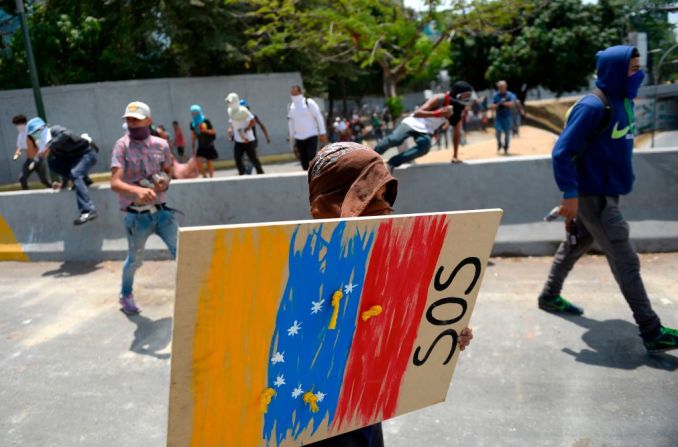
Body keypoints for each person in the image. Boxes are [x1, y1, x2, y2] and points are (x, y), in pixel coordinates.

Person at [307, 142, 474, 446]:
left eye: (385, 195)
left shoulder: (385, 258)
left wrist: (443, 332)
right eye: (368, 197)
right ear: (332, 201)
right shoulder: (299, 268)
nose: (384, 206)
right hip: (313, 417)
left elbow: (401, 323)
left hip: (366, 412)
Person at [538, 45, 678, 354]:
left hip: (605, 194)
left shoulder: (623, 101)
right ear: (615, 71)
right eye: (632, 69)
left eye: (639, 67)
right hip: (593, 197)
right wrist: (570, 196)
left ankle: (549, 295)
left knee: (576, 244)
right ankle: (652, 330)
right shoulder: (593, 106)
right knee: (625, 259)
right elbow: (562, 152)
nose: (639, 74)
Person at [110, 101, 177, 315]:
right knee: (135, 260)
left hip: (163, 213)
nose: (132, 124)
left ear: (148, 120)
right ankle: (126, 294)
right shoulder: (122, 146)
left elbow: (168, 171)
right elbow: (115, 183)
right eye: (129, 120)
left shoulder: (162, 145)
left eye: (136, 120)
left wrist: (164, 181)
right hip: (136, 217)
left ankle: (195, 293)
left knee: (183, 253)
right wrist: (136, 191)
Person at [373, 81, 474, 168]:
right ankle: (370, 157)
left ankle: (392, 163)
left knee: (424, 147)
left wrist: (455, 156)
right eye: (466, 95)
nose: (468, 98)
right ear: (457, 93)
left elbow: (456, 134)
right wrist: (439, 113)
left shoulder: (458, 109)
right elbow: (417, 113)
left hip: (426, 131)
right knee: (395, 139)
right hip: (413, 122)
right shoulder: (440, 98)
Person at [26, 117, 98, 224]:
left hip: (87, 154)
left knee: (75, 173)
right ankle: (84, 180)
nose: (35, 136)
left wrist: (49, 145)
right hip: (74, 159)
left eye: (36, 133)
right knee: (54, 164)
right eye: (33, 135)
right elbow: (65, 164)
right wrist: (63, 185)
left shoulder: (55, 130)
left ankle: (88, 210)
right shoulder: (44, 143)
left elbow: (66, 134)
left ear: (42, 129)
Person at [288, 85, 327, 170]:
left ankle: (316, 175)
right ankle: (306, 178)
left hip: (311, 135)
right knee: (303, 160)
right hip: (299, 137)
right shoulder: (291, 107)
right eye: (292, 92)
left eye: (295, 92)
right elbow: (291, 123)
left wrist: (322, 132)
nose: (294, 94)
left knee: (311, 157)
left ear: (300, 92)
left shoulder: (308, 102)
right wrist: (291, 137)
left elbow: (318, 116)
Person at [225, 93, 265, 176]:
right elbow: (232, 123)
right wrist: (230, 130)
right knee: (237, 157)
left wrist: (246, 129)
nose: (229, 104)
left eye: (230, 102)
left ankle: (260, 173)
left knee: (253, 158)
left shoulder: (244, 111)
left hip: (248, 139)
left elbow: (253, 121)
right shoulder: (231, 111)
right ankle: (242, 174)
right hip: (238, 140)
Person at [13, 114, 51, 190]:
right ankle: (26, 194)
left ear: (24, 123)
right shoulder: (21, 135)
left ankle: (53, 188)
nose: (18, 127)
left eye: (19, 124)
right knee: (22, 178)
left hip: (38, 159)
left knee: (43, 180)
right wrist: (17, 153)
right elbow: (19, 147)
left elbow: (42, 145)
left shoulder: (33, 132)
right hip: (29, 160)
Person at [240, 98, 271, 175]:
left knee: (252, 156)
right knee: (244, 157)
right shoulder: (238, 118)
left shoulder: (252, 116)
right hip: (242, 140)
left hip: (252, 140)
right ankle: (247, 171)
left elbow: (261, 125)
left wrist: (267, 136)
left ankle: (249, 172)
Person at [189, 104, 218, 178]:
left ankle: (211, 177)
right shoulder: (193, 124)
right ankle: (204, 176)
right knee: (198, 161)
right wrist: (193, 147)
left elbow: (213, 132)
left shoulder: (205, 121)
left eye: (196, 112)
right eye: (193, 113)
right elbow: (193, 136)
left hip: (209, 143)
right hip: (201, 145)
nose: (195, 114)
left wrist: (206, 130)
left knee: (208, 161)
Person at [489, 80, 516, 154]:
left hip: (507, 117)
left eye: (502, 87)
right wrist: (498, 104)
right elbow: (491, 106)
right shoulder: (495, 95)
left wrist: (503, 103)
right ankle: (499, 143)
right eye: (499, 87)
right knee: (498, 132)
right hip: (498, 118)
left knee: (507, 134)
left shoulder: (510, 95)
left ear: (505, 87)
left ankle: (506, 147)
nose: (500, 88)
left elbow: (512, 104)